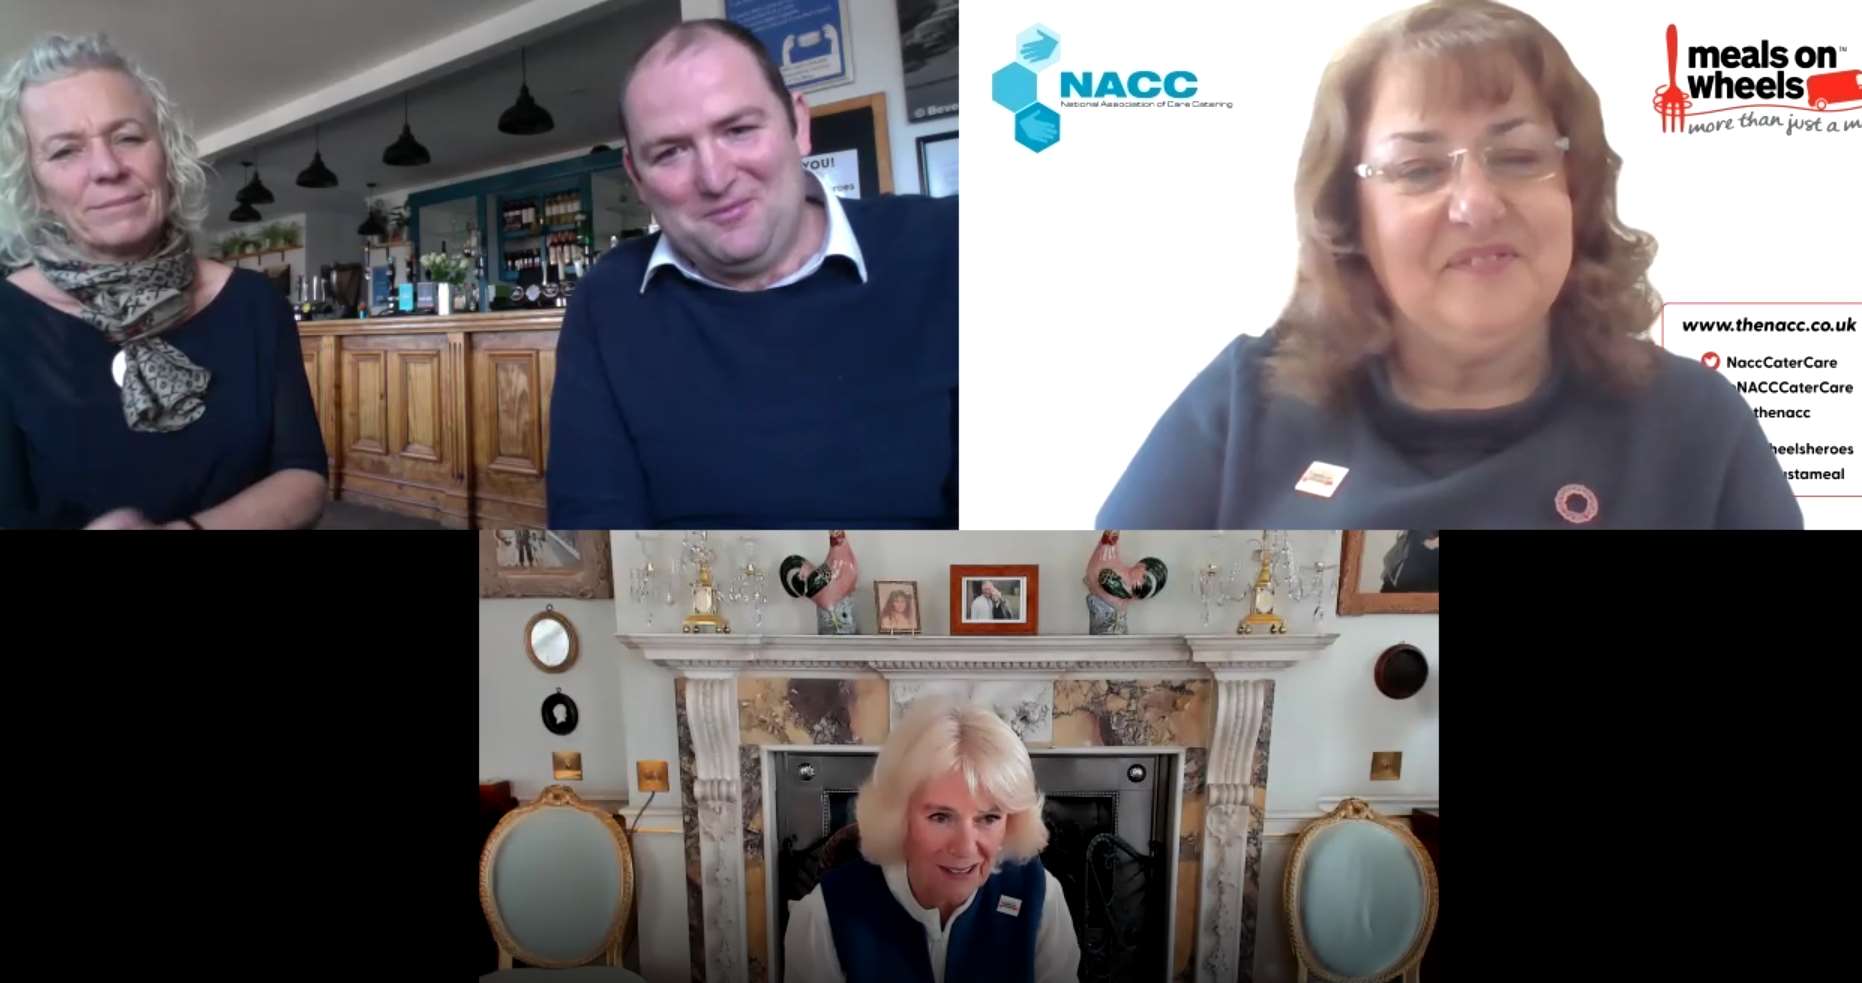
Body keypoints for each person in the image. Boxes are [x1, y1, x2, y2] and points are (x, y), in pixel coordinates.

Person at [1096, 0, 1800, 530]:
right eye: (1418, 168)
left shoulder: (1696, 427)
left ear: (1575, 189)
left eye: (1519, 157)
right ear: (1350, 217)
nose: (1476, 203)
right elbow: (1098, 646)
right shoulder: (1243, 408)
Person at [547, 19, 958, 529]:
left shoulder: (944, 246)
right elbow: (595, 529)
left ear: (798, 125)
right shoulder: (606, 301)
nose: (715, 179)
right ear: (637, 178)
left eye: (739, 130)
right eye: (670, 152)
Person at [0, 34, 327, 529]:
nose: (108, 169)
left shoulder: (255, 303)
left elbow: (303, 476)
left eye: (128, 137)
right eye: (65, 151)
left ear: (166, 156)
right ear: (37, 189)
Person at [784, 698, 1079, 983]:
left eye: (988, 818)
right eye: (940, 817)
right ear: (899, 818)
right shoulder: (823, 916)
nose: (965, 847)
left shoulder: (1041, 898)